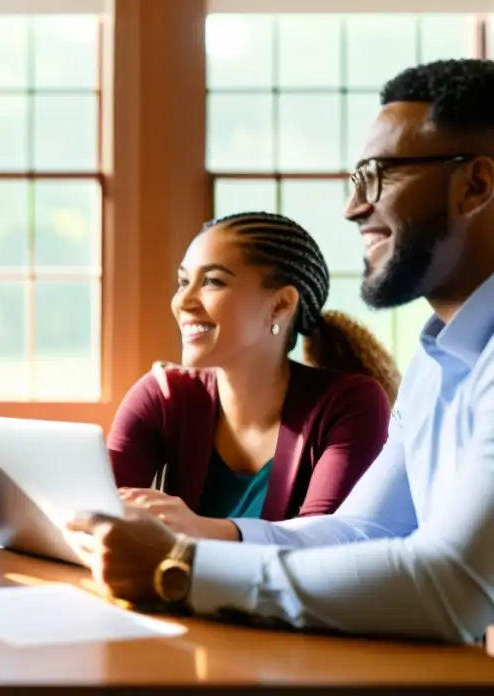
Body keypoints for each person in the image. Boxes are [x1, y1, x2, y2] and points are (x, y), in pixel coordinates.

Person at [66, 58, 494, 644]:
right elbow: (360, 530)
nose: (354, 208)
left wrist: (183, 570)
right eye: (355, 181)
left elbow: (456, 587)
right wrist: (190, 548)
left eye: (380, 175)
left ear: (475, 185)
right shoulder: (435, 365)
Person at [110, 212, 398, 540]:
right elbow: (96, 514)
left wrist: (196, 529)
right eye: (183, 282)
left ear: (280, 306)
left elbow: (323, 545)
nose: (183, 302)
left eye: (213, 281)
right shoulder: (162, 396)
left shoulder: (350, 404)